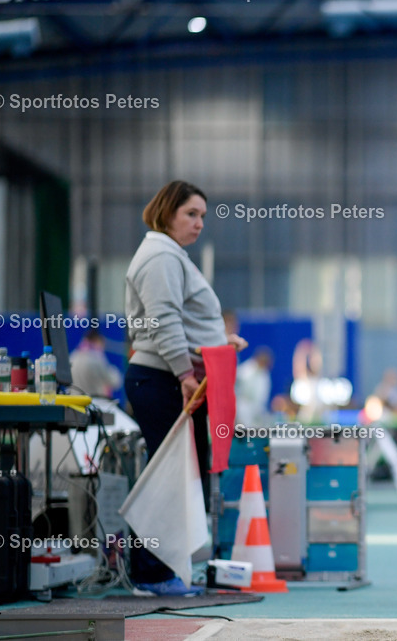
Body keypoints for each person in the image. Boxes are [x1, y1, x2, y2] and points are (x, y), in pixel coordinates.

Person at [124, 180, 246, 596]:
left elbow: (180, 323)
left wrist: (217, 344)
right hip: (163, 379)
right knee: (169, 478)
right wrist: (184, 374)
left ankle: (156, 570)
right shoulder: (159, 256)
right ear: (166, 212)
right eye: (190, 214)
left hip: (170, 376)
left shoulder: (170, 255)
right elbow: (162, 322)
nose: (198, 224)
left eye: (202, 217)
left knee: (177, 477)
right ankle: (150, 574)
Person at [69, 328, 122, 398]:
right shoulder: (96, 358)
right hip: (93, 403)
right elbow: (115, 381)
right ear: (97, 340)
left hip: (74, 402)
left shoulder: (72, 356)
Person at [235, 346, 273, 428]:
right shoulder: (247, 370)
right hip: (243, 410)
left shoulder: (264, 374)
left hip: (258, 411)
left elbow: (262, 397)